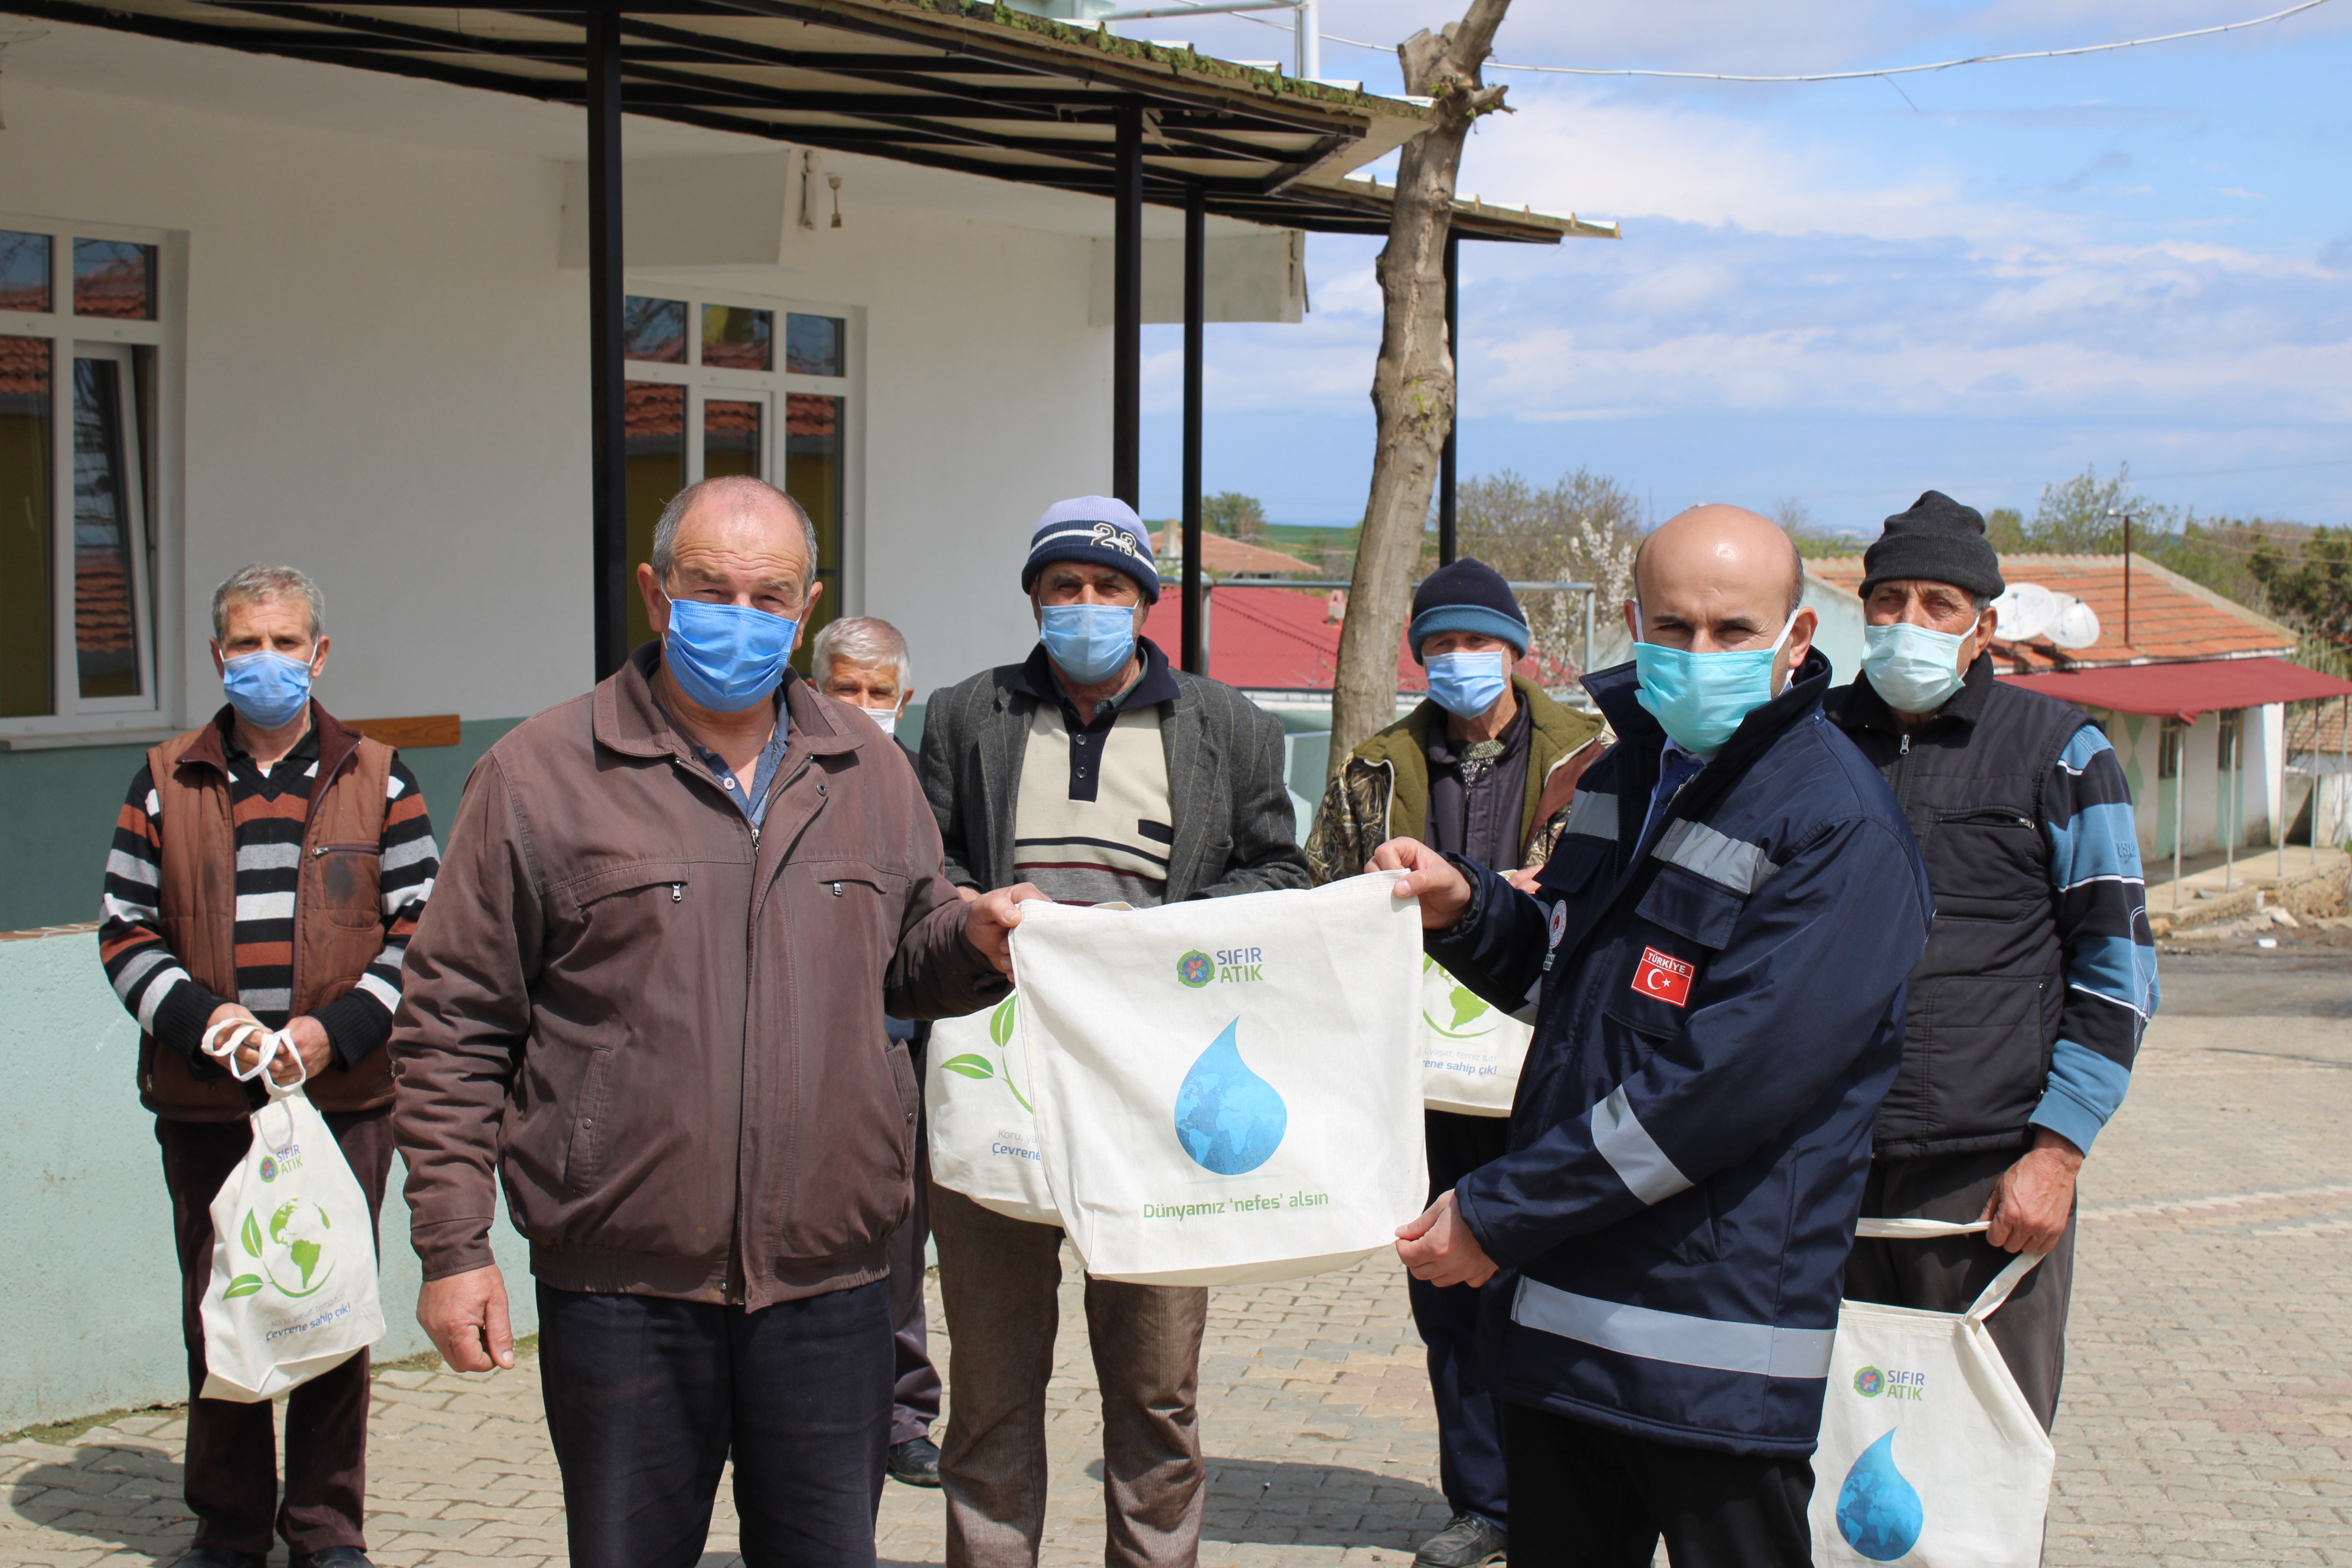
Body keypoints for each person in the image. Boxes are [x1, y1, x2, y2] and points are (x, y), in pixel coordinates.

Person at [390, 476, 1037, 1568]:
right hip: (622, 1286)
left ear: (806, 606)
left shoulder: (867, 767)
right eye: (710, 588)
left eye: (768, 595)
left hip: (833, 1283)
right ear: (655, 593)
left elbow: (908, 954)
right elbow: (455, 1022)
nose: (738, 616)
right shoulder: (543, 774)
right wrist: (454, 1248)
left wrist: (974, 938)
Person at [1380, 505, 1934, 1568]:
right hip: (1560, 1328)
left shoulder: (1836, 824)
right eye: (1673, 629)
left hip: (1710, 1350)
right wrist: (1472, 908)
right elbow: (1578, 983)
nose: (1699, 656)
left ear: (1798, 641)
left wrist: (1499, 1210)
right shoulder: (1618, 776)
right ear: (1633, 623)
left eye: (1734, 632)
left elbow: (1720, 1086)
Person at [917, 495, 1311, 1568]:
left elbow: (1281, 871)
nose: (1085, 606)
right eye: (1063, 588)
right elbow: (922, 873)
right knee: (992, 1395)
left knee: (1154, 1397)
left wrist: (1153, 941)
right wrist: (979, 917)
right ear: (1036, 599)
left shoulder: (1229, 726)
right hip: (998, 1081)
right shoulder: (968, 716)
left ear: (1146, 601)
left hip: (1155, 1097)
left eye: (1108, 588)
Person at [99, 564, 438, 1568]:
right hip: (209, 1102)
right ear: (217, 656)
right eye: (246, 643)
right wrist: (216, 1028)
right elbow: (125, 930)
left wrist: (338, 1030)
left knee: (331, 1312)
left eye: (286, 643)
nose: (266, 661)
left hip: (343, 1096)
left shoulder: (383, 775)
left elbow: (421, 930)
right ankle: (231, 1527)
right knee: (222, 1319)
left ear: (319, 655)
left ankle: (327, 1532)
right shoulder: (166, 777)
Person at [1826, 489, 2159, 1430]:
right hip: (1823, 1163)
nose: (1908, 624)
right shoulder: (1812, 745)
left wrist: (2058, 1153)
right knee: (1821, 1452)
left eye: (1939, 604)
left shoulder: (2059, 753)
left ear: (1985, 624)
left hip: (1983, 1184)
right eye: (1889, 601)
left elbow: (2119, 970)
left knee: (1977, 1453)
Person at [1304, 557, 1605, 1568]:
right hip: (1421, 1077)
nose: (1460, 661)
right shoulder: (1374, 765)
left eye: (1479, 642)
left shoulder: (1592, 752)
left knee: (1555, 1286)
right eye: (1439, 645)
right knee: (1448, 1290)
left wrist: (1540, 890)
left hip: (1549, 1065)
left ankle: (1565, 1498)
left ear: (1518, 651)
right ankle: (1484, 1505)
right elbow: (1321, 892)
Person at [811, 614, 943, 1489]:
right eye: (844, 690)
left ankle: (903, 1416)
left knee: (896, 1247)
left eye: (878, 693)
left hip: (896, 1060)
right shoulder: (779, 783)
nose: (861, 708)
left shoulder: (910, 788)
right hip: (802, 1058)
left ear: (903, 699)